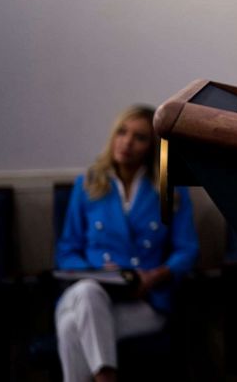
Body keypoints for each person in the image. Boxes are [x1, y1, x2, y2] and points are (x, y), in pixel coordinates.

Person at [54, 105, 199, 382]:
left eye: (140, 137)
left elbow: (187, 249)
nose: (127, 142)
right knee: (87, 291)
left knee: (72, 326)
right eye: (122, 132)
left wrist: (155, 276)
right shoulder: (88, 184)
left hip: (144, 301)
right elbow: (67, 251)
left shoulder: (170, 189)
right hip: (89, 293)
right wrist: (99, 273)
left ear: (152, 146)